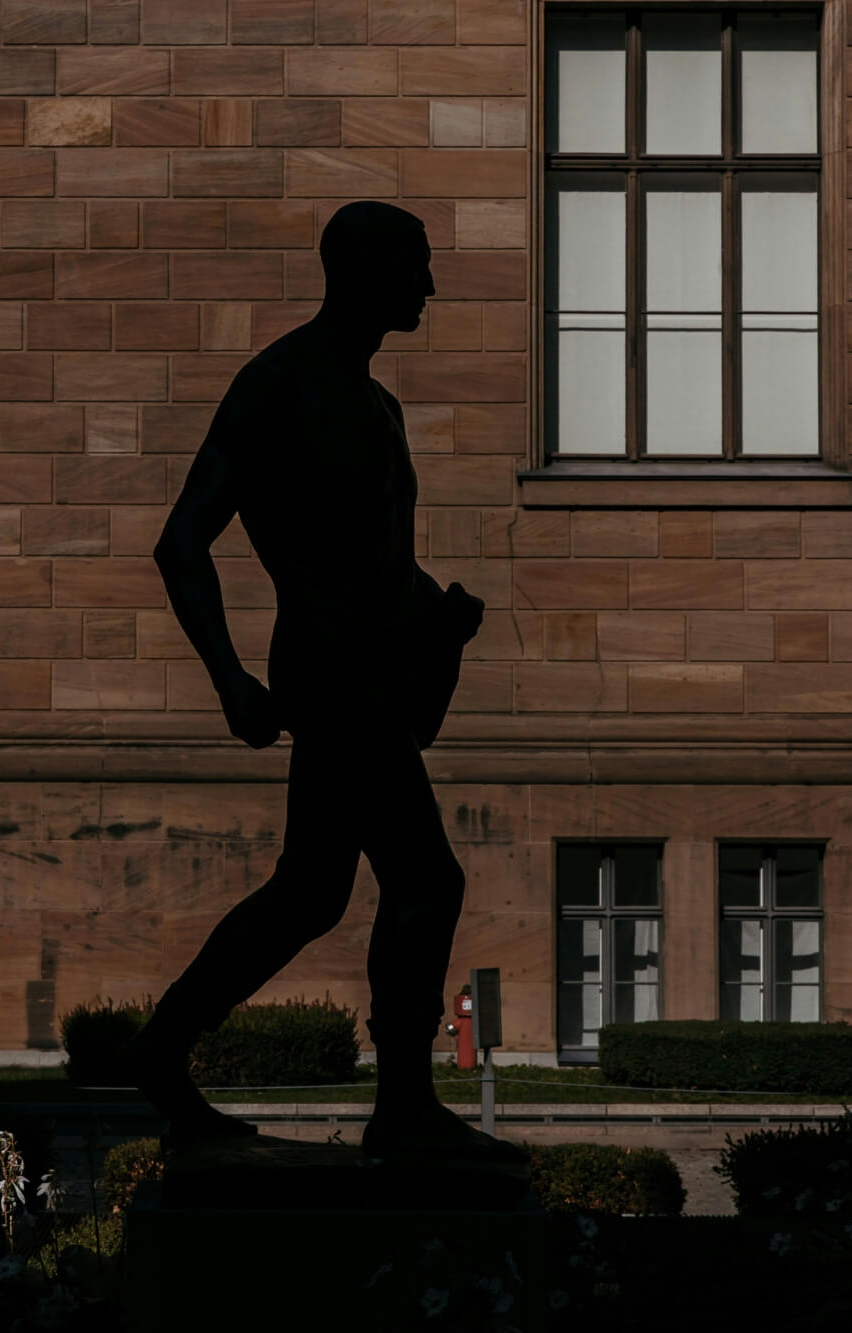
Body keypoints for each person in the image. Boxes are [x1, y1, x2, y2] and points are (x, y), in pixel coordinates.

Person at [126, 200, 523, 1163]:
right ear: (365, 273)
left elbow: (378, 563)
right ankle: (401, 1108)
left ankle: (164, 1047)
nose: (430, 287)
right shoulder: (277, 387)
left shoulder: (377, 404)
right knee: (423, 879)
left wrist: (438, 615)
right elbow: (182, 544)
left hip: (376, 679)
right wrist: (228, 682)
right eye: (416, 268)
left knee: (311, 893)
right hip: (333, 683)